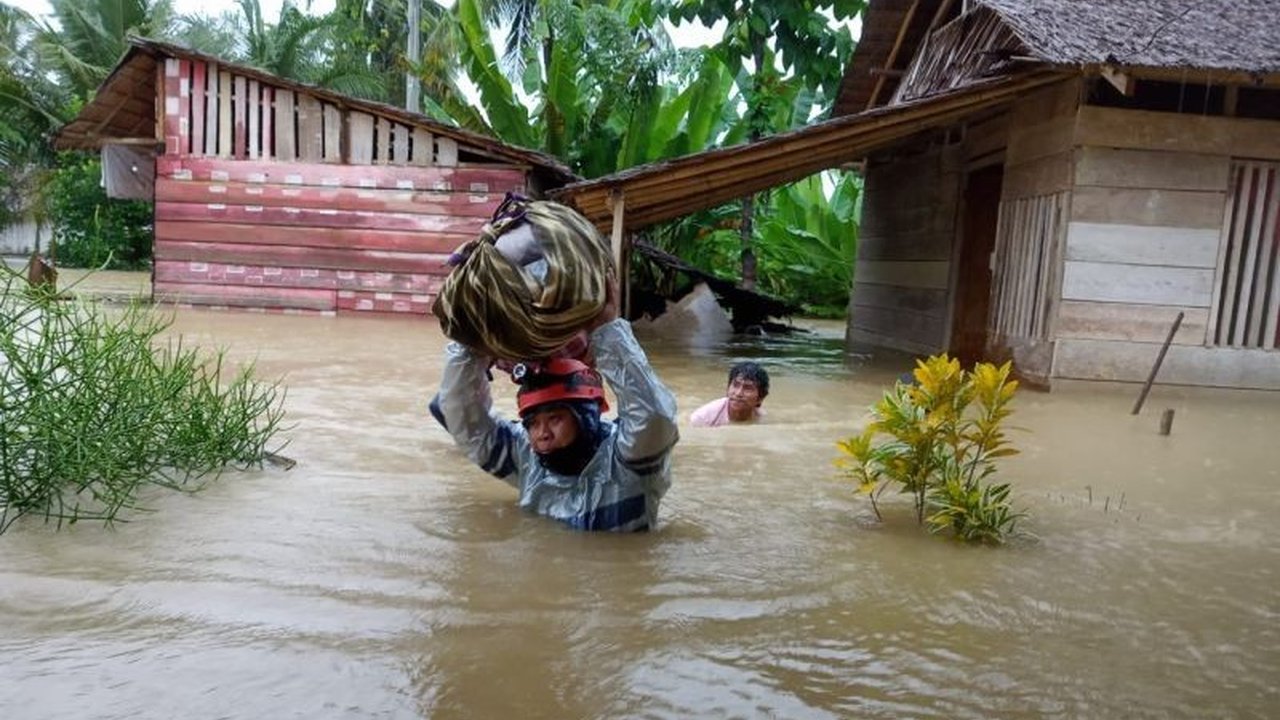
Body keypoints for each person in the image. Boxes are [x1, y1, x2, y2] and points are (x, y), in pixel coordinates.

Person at [429, 279, 679, 532]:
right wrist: (472, 347)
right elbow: (459, 416)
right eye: (533, 423)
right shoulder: (528, 456)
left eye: (556, 418)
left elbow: (653, 415)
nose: (542, 434)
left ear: (587, 417)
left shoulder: (628, 461)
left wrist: (608, 329)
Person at [689, 361, 769, 427]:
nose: (738, 393)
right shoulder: (702, 419)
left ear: (760, 398)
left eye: (747, 388)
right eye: (735, 385)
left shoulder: (761, 418)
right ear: (728, 388)